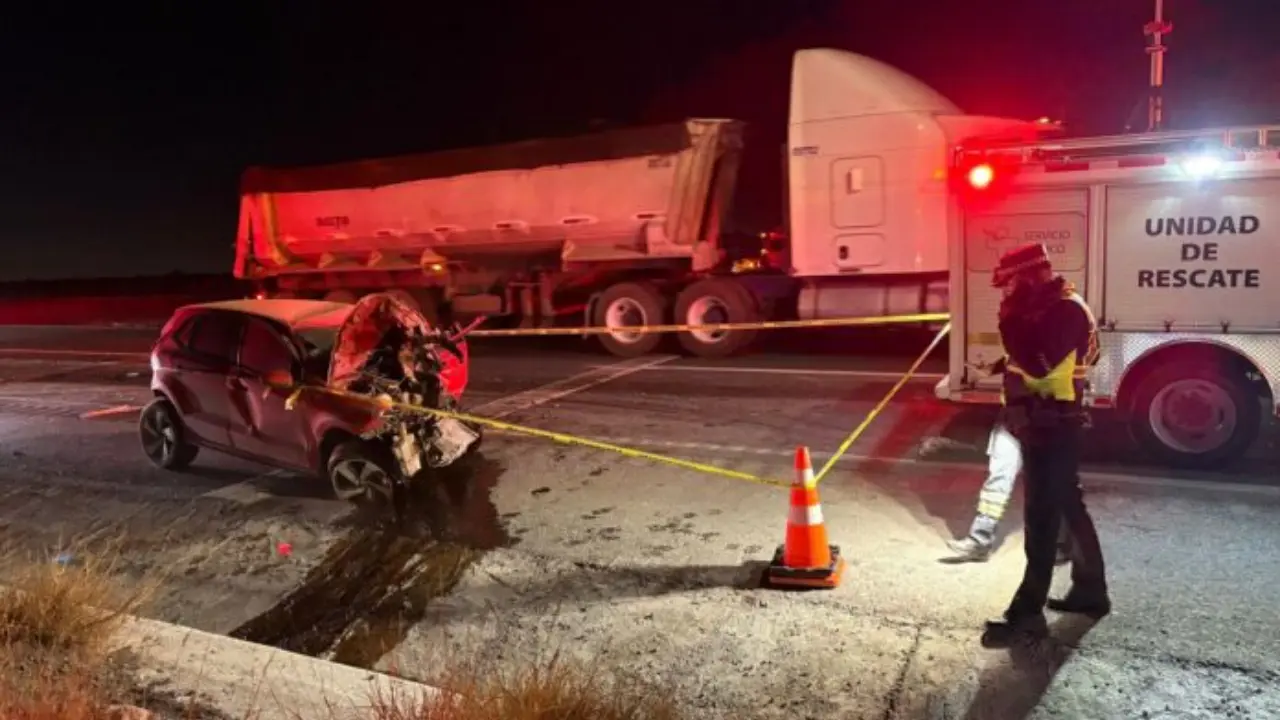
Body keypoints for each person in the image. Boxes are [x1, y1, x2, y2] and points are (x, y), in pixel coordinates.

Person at [980, 242, 1111, 646]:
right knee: (1068, 505)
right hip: (1047, 419)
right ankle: (1091, 590)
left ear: (1032, 275)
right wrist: (1005, 365)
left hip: (1053, 424)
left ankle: (1027, 615)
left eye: (1011, 283)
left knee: (1041, 521)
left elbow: (1039, 361)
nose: (1007, 293)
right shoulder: (1053, 308)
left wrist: (1008, 320)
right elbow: (1037, 356)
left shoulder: (1065, 309)